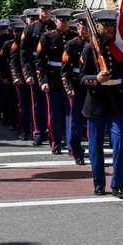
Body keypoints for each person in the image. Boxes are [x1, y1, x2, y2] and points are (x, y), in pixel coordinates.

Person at [78, 10, 123, 197]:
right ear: (97, 26)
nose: (110, 29)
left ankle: (118, 184)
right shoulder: (89, 49)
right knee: (96, 146)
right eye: (106, 25)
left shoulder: (119, 49)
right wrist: (96, 78)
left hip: (117, 102)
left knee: (119, 145)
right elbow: (81, 78)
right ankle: (99, 183)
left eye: (112, 25)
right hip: (96, 103)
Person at [37, 8, 76, 155]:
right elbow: (40, 61)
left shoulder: (74, 37)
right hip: (53, 79)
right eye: (62, 20)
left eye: (67, 20)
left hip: (70, 80)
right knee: (54, 113)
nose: (65, 23)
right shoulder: (47, 37)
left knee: (71, 113)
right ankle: (55, 142)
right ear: (56, 21)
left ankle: (71, 144)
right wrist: (43, 81)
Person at [21, 0, 54, 146]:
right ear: (38, 10)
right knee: (38, 105)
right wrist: (27, 74)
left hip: (53, 70)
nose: (45, 11)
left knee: (54, 105)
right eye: (42, 9)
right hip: (37, 70)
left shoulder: (55, 25)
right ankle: (38, 133)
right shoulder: (31, 28)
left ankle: (53, 133)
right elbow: (24, 54)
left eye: (47, 9)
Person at [60, 13, 90, 166]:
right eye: (82, 26)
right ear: (77, 26)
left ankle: (93, 150)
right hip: (77, 87)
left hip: (92, 87)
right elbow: (65, 70)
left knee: (92, 123)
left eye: (87, 26)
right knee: (76, 122)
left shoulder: (95, 44)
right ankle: (76, 151)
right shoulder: (71, 44)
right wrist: (68, 87)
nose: (84, 29)